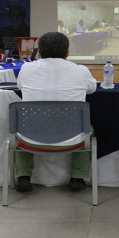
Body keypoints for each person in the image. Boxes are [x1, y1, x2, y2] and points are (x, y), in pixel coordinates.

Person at [15, 31, 97, 192]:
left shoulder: (27, 68)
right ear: (67, 52)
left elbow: (20, 86)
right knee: (88, 129)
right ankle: (77, 177)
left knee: (18, 127)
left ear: (38, 52)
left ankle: (23, 176)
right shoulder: (81, 70)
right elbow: (92, 89)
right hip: (71, 136)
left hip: (31, 135)